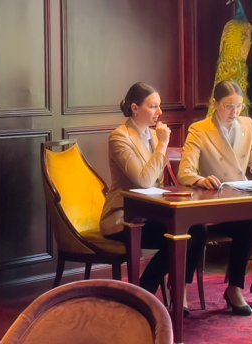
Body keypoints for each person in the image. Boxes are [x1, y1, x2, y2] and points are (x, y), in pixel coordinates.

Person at [177, 79, 252, 316]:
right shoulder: (200, 129)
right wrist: (200, 180)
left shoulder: (247, 124)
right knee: (247, 230)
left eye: (238, 106)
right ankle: (234, 290)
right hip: (215, 204)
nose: (234, 112)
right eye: (228, 106)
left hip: (243, 199)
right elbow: (185, 172)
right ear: (215, 104)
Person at [100, 82, 207, 314]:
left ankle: (179, 292)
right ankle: (143, 297)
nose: (159, 112)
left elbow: (159, 182)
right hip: (124, 218)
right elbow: (144, 181)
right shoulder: (119, 138)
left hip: (151, 213)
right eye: (153, 106)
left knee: (197, 230)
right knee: (178, 239)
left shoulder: (151, 134)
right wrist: (163, 145)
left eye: (160, 106)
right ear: (135, 108)